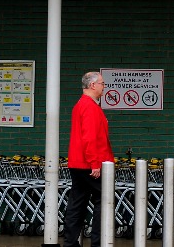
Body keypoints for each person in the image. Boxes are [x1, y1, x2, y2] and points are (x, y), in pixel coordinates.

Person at [63, 71, 115, 247]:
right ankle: (98, 242)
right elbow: (90, 137)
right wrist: (95, 164)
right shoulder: (90, 107)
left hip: (78, 163)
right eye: (102, 83)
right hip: (90, 164)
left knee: (77, 203)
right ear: (93, 85)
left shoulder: (80, 105)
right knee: (103, 199)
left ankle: (70, 243)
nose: (104, 87)